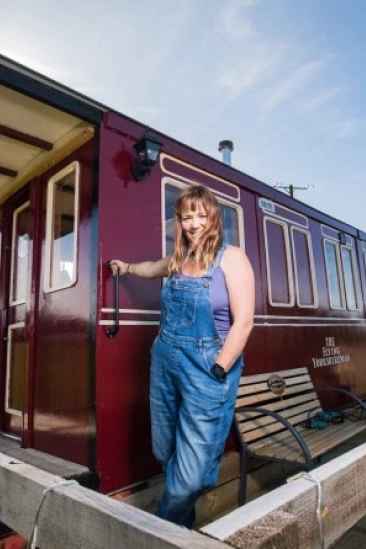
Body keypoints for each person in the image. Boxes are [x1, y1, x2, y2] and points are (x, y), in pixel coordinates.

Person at [109, 185, 254, 527]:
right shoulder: (179, 259)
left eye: (201, 215)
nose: (194, 223)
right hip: (165, 362)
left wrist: (219, 368)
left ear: (213, 217)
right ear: (179, 221)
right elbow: (149, 268)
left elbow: (244, 322)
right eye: (187, 217)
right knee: (165, 452)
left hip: (208, 368)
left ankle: (157, 535)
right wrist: (125, 267)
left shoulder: (231, 258)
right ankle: (183, 531)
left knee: (190, 477)